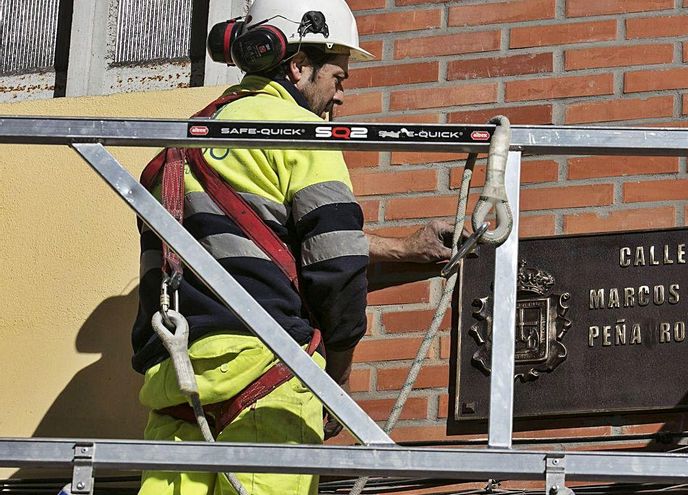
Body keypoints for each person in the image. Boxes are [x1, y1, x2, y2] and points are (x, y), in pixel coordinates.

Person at [131, 1, 452, 495]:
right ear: (298, 65)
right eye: (338, 78)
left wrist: (405, 248)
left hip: (175, 389)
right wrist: (336, 375)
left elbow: (256, 244)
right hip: (272, 382)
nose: (339, 97)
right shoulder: (302, 135)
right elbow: (336, 264)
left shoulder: (175, 150)